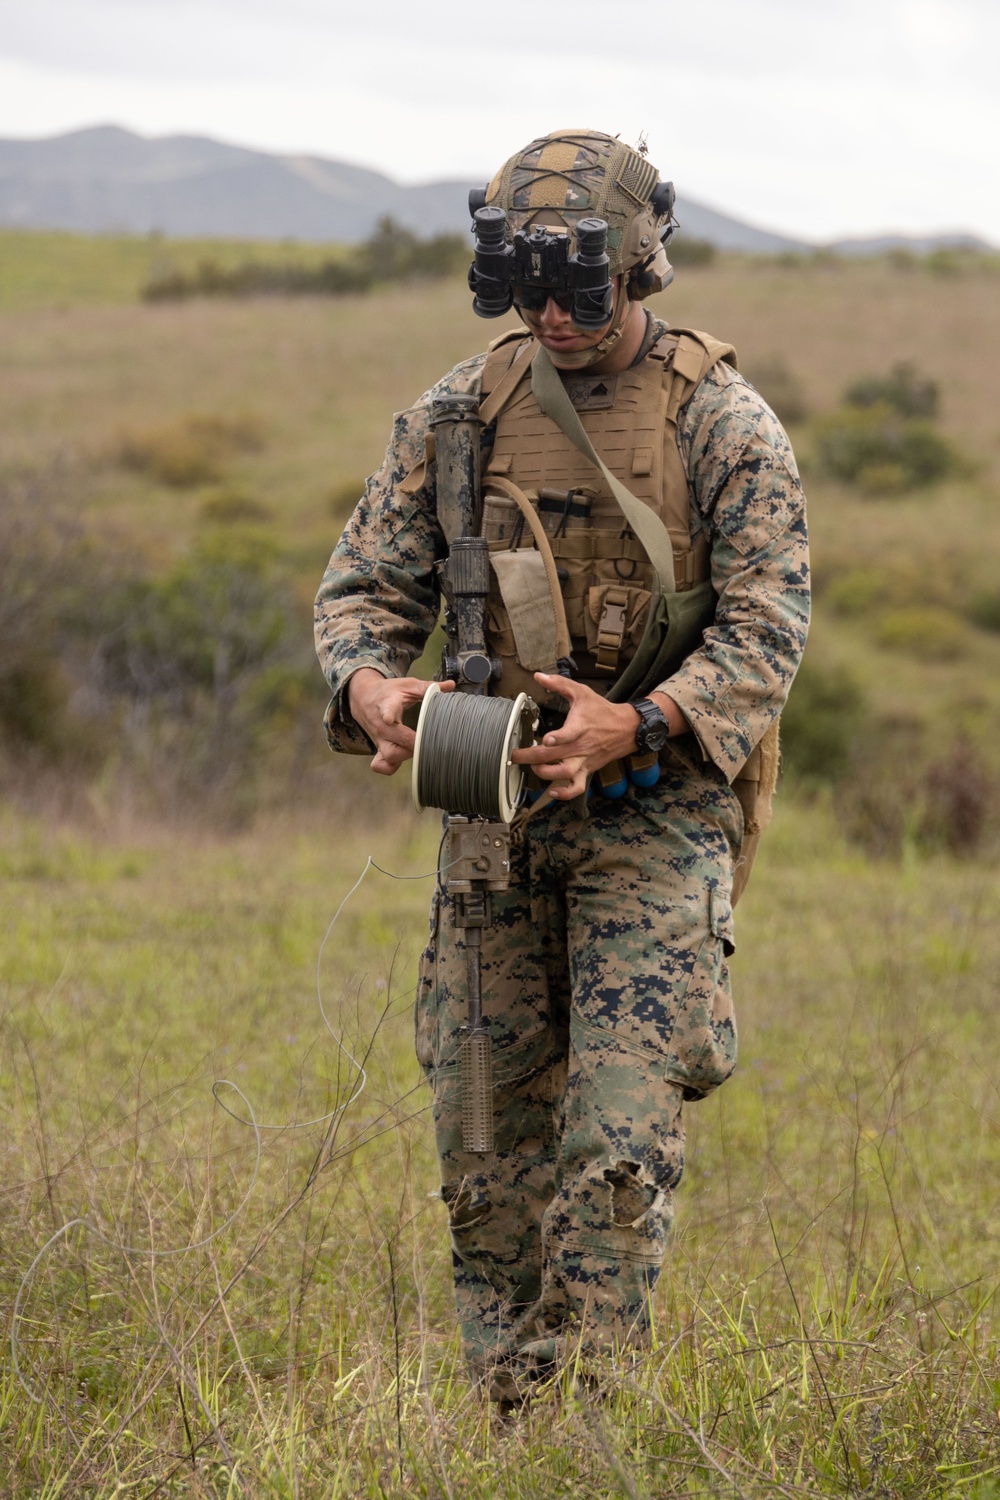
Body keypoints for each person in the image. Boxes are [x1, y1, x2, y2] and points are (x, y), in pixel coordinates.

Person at [314, 129, 809, 1401]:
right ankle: (506, 1416)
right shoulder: (453, 417)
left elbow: (768, 628)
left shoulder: (722, 423)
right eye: (523, 290)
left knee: (615, 1143)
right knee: (483, 1138)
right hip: (491, 813)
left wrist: (636, 725)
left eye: (575, 290)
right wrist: (369, 684)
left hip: (655, 815)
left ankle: (587, 1420)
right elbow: (366, 589)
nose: (549, 316)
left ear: (641, 268)